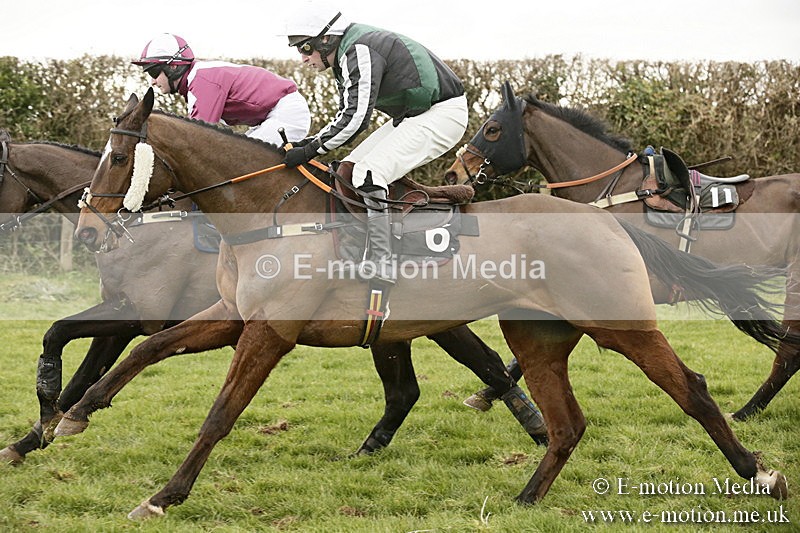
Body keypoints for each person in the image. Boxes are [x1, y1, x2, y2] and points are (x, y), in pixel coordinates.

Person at [279, 5, 469, 285]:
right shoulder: (347, 54)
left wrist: (310, 149)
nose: (303, 58)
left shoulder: (359, 49)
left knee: (368, 174)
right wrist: (310, 143)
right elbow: (346, 114)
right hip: (417, 114)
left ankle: (384, 260)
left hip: (442, 113)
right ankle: (362, 247)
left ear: (327, 39)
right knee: (348, 169)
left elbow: (357, 118)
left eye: (305, 48)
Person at [133, 33, 311, 146]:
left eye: (154, 72)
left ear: (173, 67)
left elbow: (197, 138)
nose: (153, 82)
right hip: (274, 116)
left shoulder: (201, 81)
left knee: (243, 160)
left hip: (286, 114)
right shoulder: (197, 80)